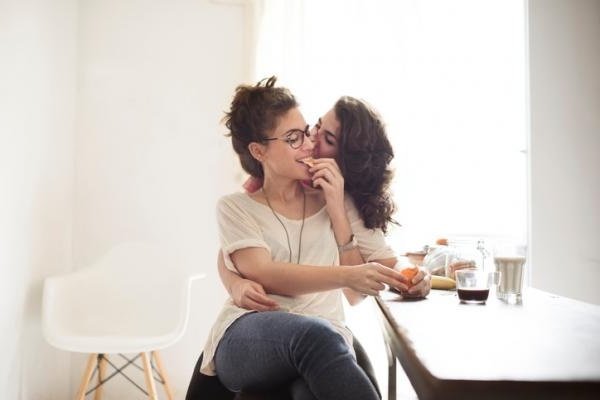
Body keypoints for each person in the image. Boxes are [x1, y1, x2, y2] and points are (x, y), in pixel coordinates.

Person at [197, 77, 411, 400]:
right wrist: (234, 283)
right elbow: (259, 269)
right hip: (250, 330)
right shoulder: (236, 206)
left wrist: (338, 208)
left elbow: (372, 280)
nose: (309, 144)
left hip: (322, 336)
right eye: (295, 138)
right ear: (259, 151)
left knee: (311, 384)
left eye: (308, 133)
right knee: (318, 336)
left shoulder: (335, 196)